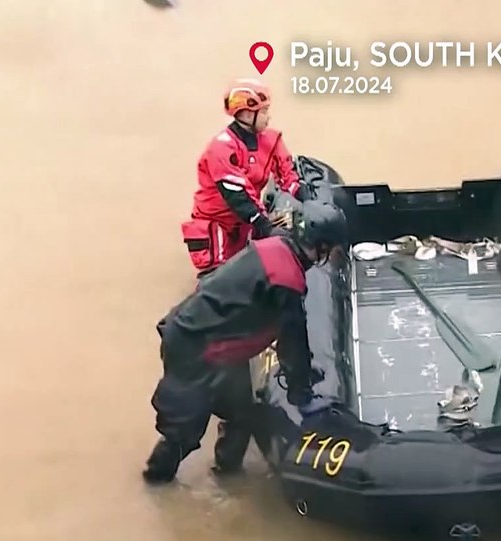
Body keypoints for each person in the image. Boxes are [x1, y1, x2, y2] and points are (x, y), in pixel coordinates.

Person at [142, 201, 349, 484]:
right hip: (195, 347)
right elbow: (293, 342)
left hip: (212, 339)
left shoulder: (276, 245)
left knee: (241, 414)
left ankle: (227, 477)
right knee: (184, 431)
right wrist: (302, 394)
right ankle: (156, 482)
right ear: (323, 246)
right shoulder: (286, 279)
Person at [182, 79, 309, 278]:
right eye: (264, 111)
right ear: (248, 114)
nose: (268, 117)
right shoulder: (222, 148)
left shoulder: (271, 140)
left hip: (244, 223)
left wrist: (307, 199)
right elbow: (237, 195)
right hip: (219, 224)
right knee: (219, 279)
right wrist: (264, 225)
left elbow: (287, 174)